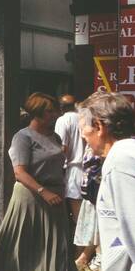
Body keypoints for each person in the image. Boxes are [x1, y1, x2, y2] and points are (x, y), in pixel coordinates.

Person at [0, 92, 88, 271]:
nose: (55, 114)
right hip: (30, 196)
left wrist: (58, 191)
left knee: (59, 248)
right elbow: (19, 172)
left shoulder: (53, 136)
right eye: (51, 111)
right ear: (40, 113)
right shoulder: (23, 137)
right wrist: (43, 191)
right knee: (17, 243)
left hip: (55, 197)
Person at [79, 91, 135, 271]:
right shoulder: (126, 154)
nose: (83, 136)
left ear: (99, 126)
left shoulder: (121, 159)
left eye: (84, 129)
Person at [56, 94, 87, 240]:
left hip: (74, 169)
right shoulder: (84, 118)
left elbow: (62, 147)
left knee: (78, 215)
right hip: (88, 168)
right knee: (88, 211)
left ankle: (82, 252)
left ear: (61, 107)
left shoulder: (63, 120)